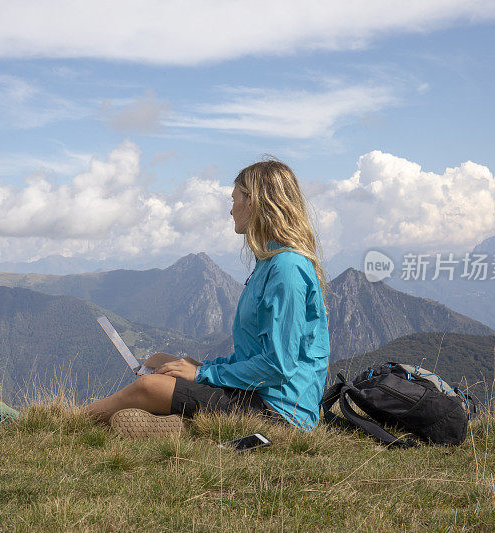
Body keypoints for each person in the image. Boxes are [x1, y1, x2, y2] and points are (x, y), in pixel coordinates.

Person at [84, 159, 330, 437]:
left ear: (253, 202)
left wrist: (201, 375)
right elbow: (254, 356)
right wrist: (205, 368)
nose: (231, 208)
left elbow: (277, 367)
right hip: (259, 393)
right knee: (158, 360)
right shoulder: (269, 262)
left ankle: (69, 422)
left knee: (148, 386)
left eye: (234, 198)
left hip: (280, 412)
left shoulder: (287, 268)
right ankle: (179, 424)